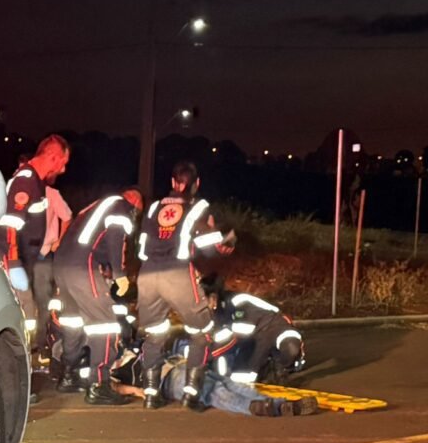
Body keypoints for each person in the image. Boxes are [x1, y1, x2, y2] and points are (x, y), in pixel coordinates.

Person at [136, 160, 232, 411]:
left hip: (147, 275)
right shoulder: (199, 206)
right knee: (202, 331)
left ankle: (150, 394)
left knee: (155, 334)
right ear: (196, 183)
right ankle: (191, 395)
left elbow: (142, 245)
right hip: (177, 273)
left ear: (172, 182)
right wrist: (225, 240)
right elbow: (206, 245)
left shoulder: (154, 206)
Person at [53, 188, 143, 404]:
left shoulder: (94, 207)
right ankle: (100, 384)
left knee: (73, 321)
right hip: (83, 266)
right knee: (105, 324)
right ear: (135, 202)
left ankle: (69, 375)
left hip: (61, 265)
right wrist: (120, 275)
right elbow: (115, 237)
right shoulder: (121, 206)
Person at [0, 135, 70, 361]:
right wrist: (14, 262)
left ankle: (21, 361)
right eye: (63, 162)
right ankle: (15, 364)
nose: (63, 170)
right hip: (11, 259)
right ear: (52, 156)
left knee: (27, 314)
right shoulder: (26, 181)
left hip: (25, 259)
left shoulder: (37, 182)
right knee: (24, 314)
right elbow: (10, 223)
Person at [111, 352, 318, 417]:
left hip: (184, 366)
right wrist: (140, 391)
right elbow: (115, 388)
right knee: (215, 392)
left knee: (233, 385)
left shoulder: (126, 350)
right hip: (169, 381)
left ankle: (278, 404)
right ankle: (262, 407)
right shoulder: (111, 369)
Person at [209, 292, 304, 385]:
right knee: (241, 376)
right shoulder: (217, 312)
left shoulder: (238, 300)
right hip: (252, 340)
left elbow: (246, 328)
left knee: (290, 347)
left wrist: (227, 329)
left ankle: (283, 368)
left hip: (273, 327)